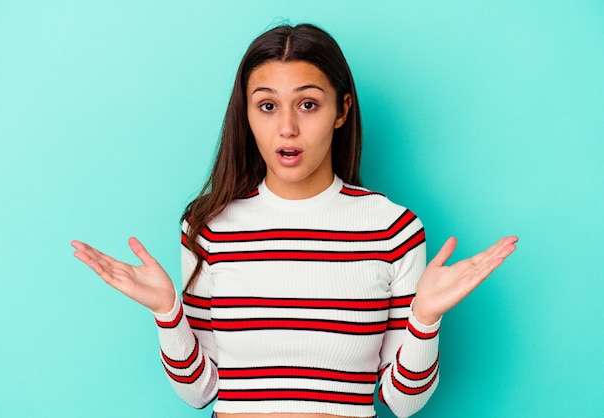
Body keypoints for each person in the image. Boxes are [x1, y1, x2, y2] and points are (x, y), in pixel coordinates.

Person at [71, 23, 517, 418]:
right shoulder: (208, 226)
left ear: (341, 111)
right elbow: (200, 391)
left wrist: (424, 319)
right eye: (267, 106)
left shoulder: (391, 229)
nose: (287, 128)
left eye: (307, 105)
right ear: (246, 115)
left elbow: (402, 401)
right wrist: (168, 313)